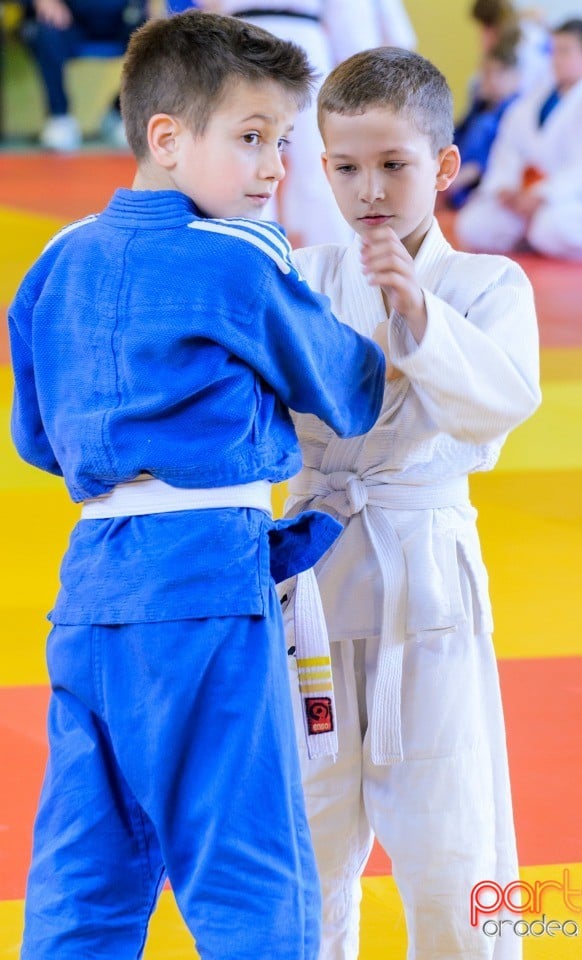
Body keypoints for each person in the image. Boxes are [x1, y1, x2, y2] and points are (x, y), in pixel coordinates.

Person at [8, 12, 387, 960]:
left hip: (90, 593)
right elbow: (345, 388)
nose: (273, 170)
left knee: (84, 871)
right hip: (205, 591)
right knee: (248, 861)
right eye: (251, 138)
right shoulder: (239, 255)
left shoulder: (54, 261)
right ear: (167, 137)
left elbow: (38, 440)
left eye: (284, 143)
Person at [278, 46, 541, 960]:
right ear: (321, 168)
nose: (371, 190)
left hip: (423, 585)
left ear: (443, 165)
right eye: (347, 167)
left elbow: (503, 402)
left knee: (455, 824)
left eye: (394, 164)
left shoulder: (487, 285)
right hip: (307, 585)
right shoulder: (300, 277)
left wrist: (416, 317)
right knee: (304, 837)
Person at [166, 1, 416, 247]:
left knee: (249, 149)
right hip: (283, 37)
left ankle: (252, 248)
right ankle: (327, 258)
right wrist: (357, 67)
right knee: (312, 160)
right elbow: (347, 15)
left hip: (242, 38)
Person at [456, 18, 582, 261]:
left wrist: (543, 194)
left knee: (551, 228)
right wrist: (505, 186)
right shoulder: (537, 97)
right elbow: (510, 146)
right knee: (473, 226)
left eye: (565, 51)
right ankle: (528, 235)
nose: (556, 58)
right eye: (554, 50)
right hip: (529, 194)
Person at [18, 0, 147, 151]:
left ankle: (118, 112)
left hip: (120, 18)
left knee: (157, 38)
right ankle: (59, 117)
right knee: (43, 30)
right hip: (68, 20)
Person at [445, 36, 521, 209]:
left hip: (483, 183)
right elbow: (454, 136)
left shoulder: (517, 111)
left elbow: (487, 161)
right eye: (487, 72)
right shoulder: (480, 105)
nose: (492, 79)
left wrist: (453, 181)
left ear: (516, 77)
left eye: (500, 73)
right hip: (456, 177)